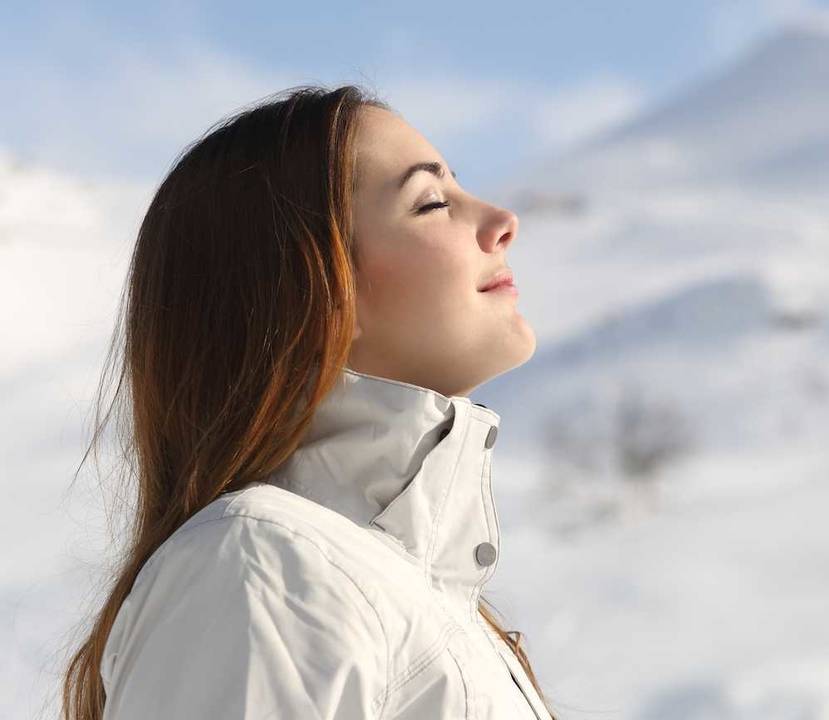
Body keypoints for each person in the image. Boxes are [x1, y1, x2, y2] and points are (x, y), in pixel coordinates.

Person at [59, 84, 556, 719]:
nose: (500, 221)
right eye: (431, 203)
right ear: (316, 292)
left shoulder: (400, 594)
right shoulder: (264, 566)